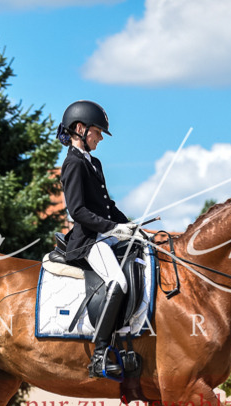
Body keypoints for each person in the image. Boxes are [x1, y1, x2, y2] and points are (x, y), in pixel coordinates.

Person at [56, 100, 139, 379]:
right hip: (89, 240)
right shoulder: (72, 164)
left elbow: (107, 205)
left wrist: (130, 226)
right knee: (118, 281)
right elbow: (78, 211)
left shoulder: (94, 163)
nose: (100, 137)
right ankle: (100, 353)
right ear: (80, 129)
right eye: (97, 131)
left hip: (105, 235)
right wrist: (113, 229)